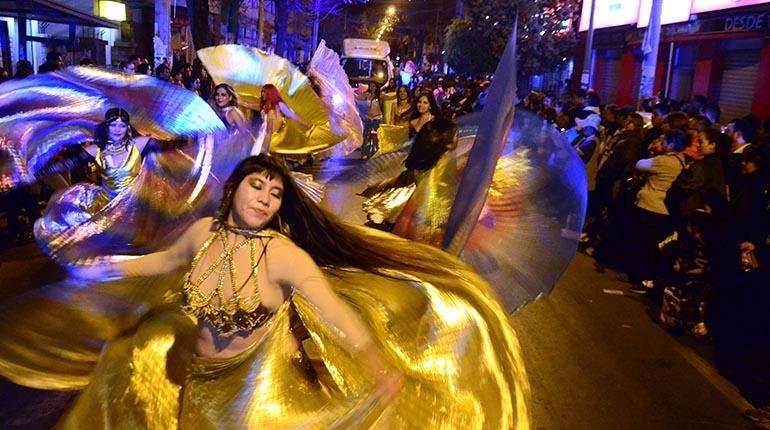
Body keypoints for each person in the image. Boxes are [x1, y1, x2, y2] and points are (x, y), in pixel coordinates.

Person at [0, 154, 527, 428]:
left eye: (276, 193)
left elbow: (336, 311)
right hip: (198, 376)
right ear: (234, 190)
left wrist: (375, 362)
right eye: (258, 185)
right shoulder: (202, 234)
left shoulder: (285, 256)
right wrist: (105, 266)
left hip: (250, 385)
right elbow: (159, 264)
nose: (267, 197)